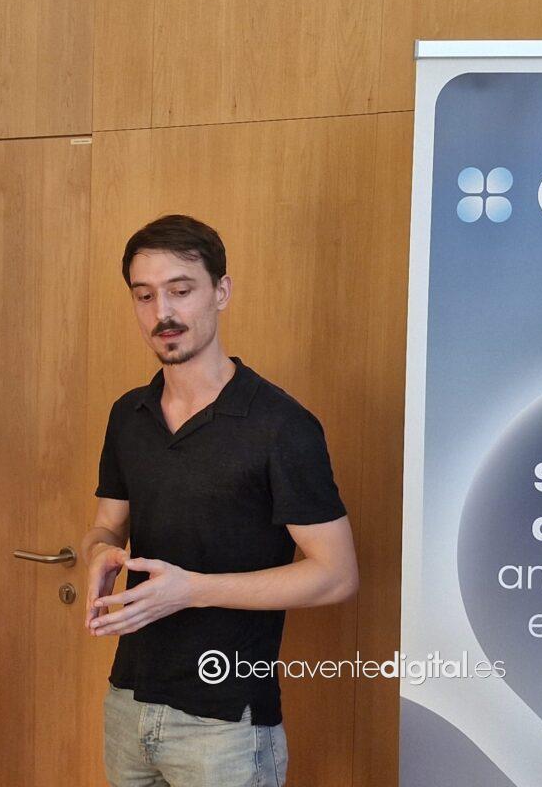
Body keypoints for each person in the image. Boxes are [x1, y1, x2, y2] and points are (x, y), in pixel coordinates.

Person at [82, 215, 359, 787]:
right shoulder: (128, 414)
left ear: (221, 292)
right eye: (145, 295)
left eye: (181, 290)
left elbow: (336, 576)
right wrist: (99, 554)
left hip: (228, 725)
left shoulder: (281, 425)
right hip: (129, 703)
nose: (162, 313)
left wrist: (192, 590)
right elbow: (107, 525)